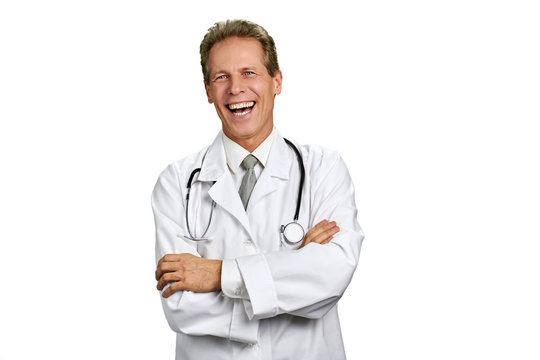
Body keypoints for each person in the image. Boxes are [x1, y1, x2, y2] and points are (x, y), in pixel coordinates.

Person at [151, 19, 364, 360]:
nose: (236, 88)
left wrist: (217, 274)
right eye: (222, 77)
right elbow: (180, 306)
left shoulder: (323, 168)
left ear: (276, 81)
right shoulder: (177, 183)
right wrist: (292, 274)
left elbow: (331, 275)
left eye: (249, 72)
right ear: (208, 90)